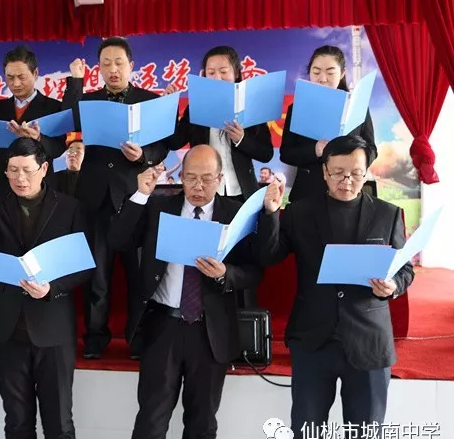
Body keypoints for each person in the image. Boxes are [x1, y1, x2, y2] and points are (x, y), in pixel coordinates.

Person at [256, 135, 414, 439]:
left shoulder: (387, 214)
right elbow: (269, 256)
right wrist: (270, 214)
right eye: (339, 173)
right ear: (324, 172)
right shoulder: (300, 213)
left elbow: (405, 270)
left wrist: (392, 286)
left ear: (366, 172)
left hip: (369, 343)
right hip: (314, 341)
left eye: (355, 173)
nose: (347, 181)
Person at [108, 144, 263, 439]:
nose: (198, 186)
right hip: (163, 326)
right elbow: (118, 240)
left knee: (202, 426)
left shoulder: (235, 214)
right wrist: (140, 195)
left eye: (206, 179)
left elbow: (254, 270)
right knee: (151, 424)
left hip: (210, 331)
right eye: (190, 177)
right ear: (180, 176)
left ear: (220, 178)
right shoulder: (158, 207)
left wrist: (225, 274)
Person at [0, 138, 93, 439]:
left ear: (44, 169)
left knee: (59, 425)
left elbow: (85, 267)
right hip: (8, 328)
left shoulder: (69, 208)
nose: (20, 178)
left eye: (27, 170)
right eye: (13, 170)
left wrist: (52, 288)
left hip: (53, 330)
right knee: (16, 422)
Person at [62, 36, 169, 359]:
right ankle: (96, 339)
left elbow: (163, 146)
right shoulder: (88, 100)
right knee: (97, 277)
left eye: (119, 63)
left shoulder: (149, 101)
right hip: (96, 200)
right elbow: (68, 120)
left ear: (131, 66)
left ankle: (137, 339)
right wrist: (76, 82)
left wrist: (143, 156)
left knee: (138, 276)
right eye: (105, 63)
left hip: (135, 199)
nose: (113, 69)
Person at [0, 45, 80, 192]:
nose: (15, 83)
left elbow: (57, 150)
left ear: (35, 73)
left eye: (21, 77)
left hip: (38, 189)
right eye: (10, 77)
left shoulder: (53, 107)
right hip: (0, 187)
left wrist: (39, 138)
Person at [166, 45, 274, 202]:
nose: (217, 78)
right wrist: (170, 106)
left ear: (236, 73)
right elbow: (175, 142)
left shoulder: (251, 106)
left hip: (241, 192)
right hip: (204, 192)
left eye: (223, 72)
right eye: (211, 73)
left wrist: (242, 139)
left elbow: (266, 154)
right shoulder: (197, 106)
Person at [281, 45, 378, 202]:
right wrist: (315, 150)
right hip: (308, 193)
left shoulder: (357, 106)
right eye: (316, 72)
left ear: (342, 74)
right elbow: (286, 154)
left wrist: (355, 158)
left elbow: (372, 149)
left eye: (330, 72)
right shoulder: (297, 107)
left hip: (348, 191)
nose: (323, 78)